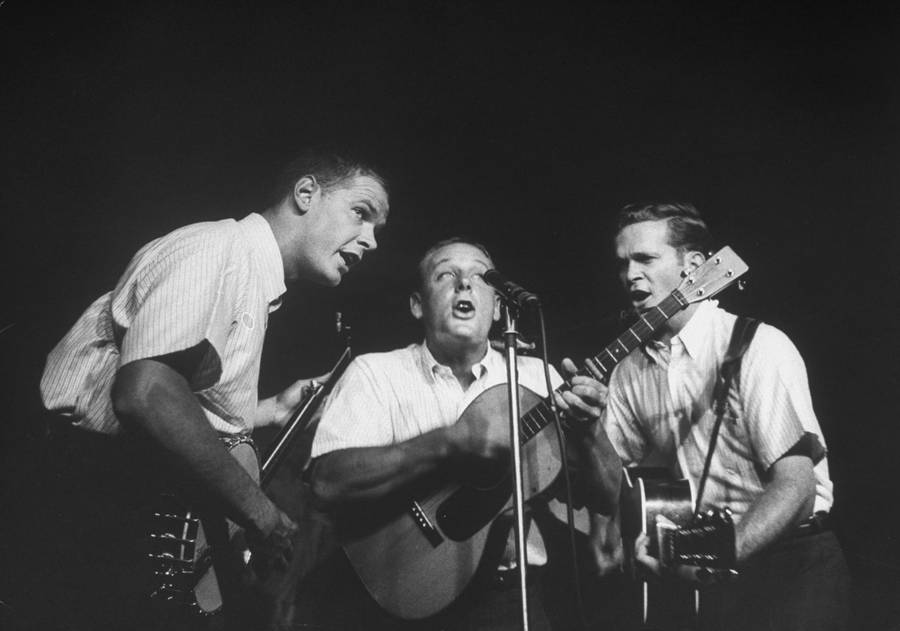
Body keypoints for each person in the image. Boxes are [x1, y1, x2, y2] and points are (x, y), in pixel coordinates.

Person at [35, 149, 390, 630]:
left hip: (116, 512)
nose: (370, 240)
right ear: (306, 194)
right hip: (91, 506)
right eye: (361, 213)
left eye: (377, 230)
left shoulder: (255, 283)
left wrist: (267, 411)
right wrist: (263, 515)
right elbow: (145, 392)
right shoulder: (218, 251)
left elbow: (182, 394)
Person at [304, 237, 622, 630]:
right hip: (398, 600)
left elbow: (607, 498)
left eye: (480, 276)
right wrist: (446, 442)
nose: (464, 284)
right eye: (445, 275)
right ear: (417, 304)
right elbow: (326, 484)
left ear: (500, 307)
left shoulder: (540, 378)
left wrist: (590, 432)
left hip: (512, 601)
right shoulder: (375, 374)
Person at [601, 202, 849, 630]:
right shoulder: (628, 371)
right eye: (623, 264)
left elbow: (796, 485)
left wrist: (715, 554)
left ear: (693, 266)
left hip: (792, 565)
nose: (630, 275)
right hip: (705, 576)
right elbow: (611, 482)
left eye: (645, 258)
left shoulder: (758, 345)